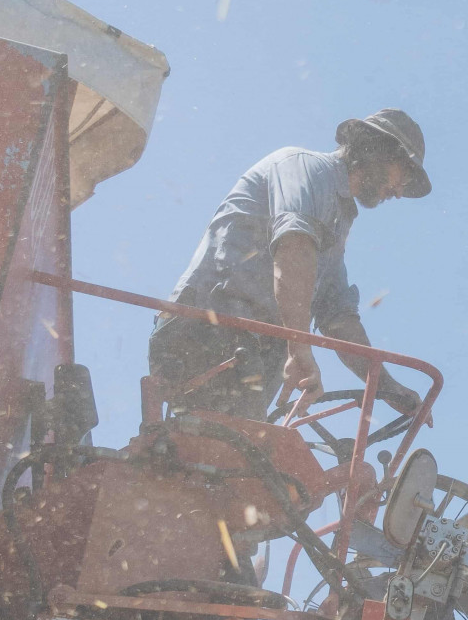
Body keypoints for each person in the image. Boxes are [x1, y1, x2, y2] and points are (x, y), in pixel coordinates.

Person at [152, 109, 432, 423]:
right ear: (377, 150)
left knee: (248, 457)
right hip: (207, 328)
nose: (398, 192)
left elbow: (337, 316)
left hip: (249, 350)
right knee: (234, 456)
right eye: (402, 176)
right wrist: (299, 349)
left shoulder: (337, 220)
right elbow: (294, 248)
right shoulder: (304, 168)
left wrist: (386, 386)